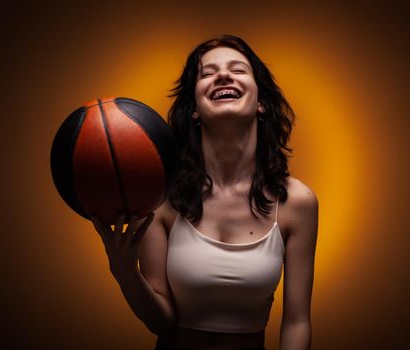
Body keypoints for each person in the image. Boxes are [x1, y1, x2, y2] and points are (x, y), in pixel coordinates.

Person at [91, 35, 318, 350]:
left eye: (238, 69)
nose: (223, 75)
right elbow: (160, 321)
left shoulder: (297, 203)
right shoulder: (160, 197)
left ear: (262, 103)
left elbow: (297, 322)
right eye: (207, 73)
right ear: (194, 109)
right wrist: (124, 271)